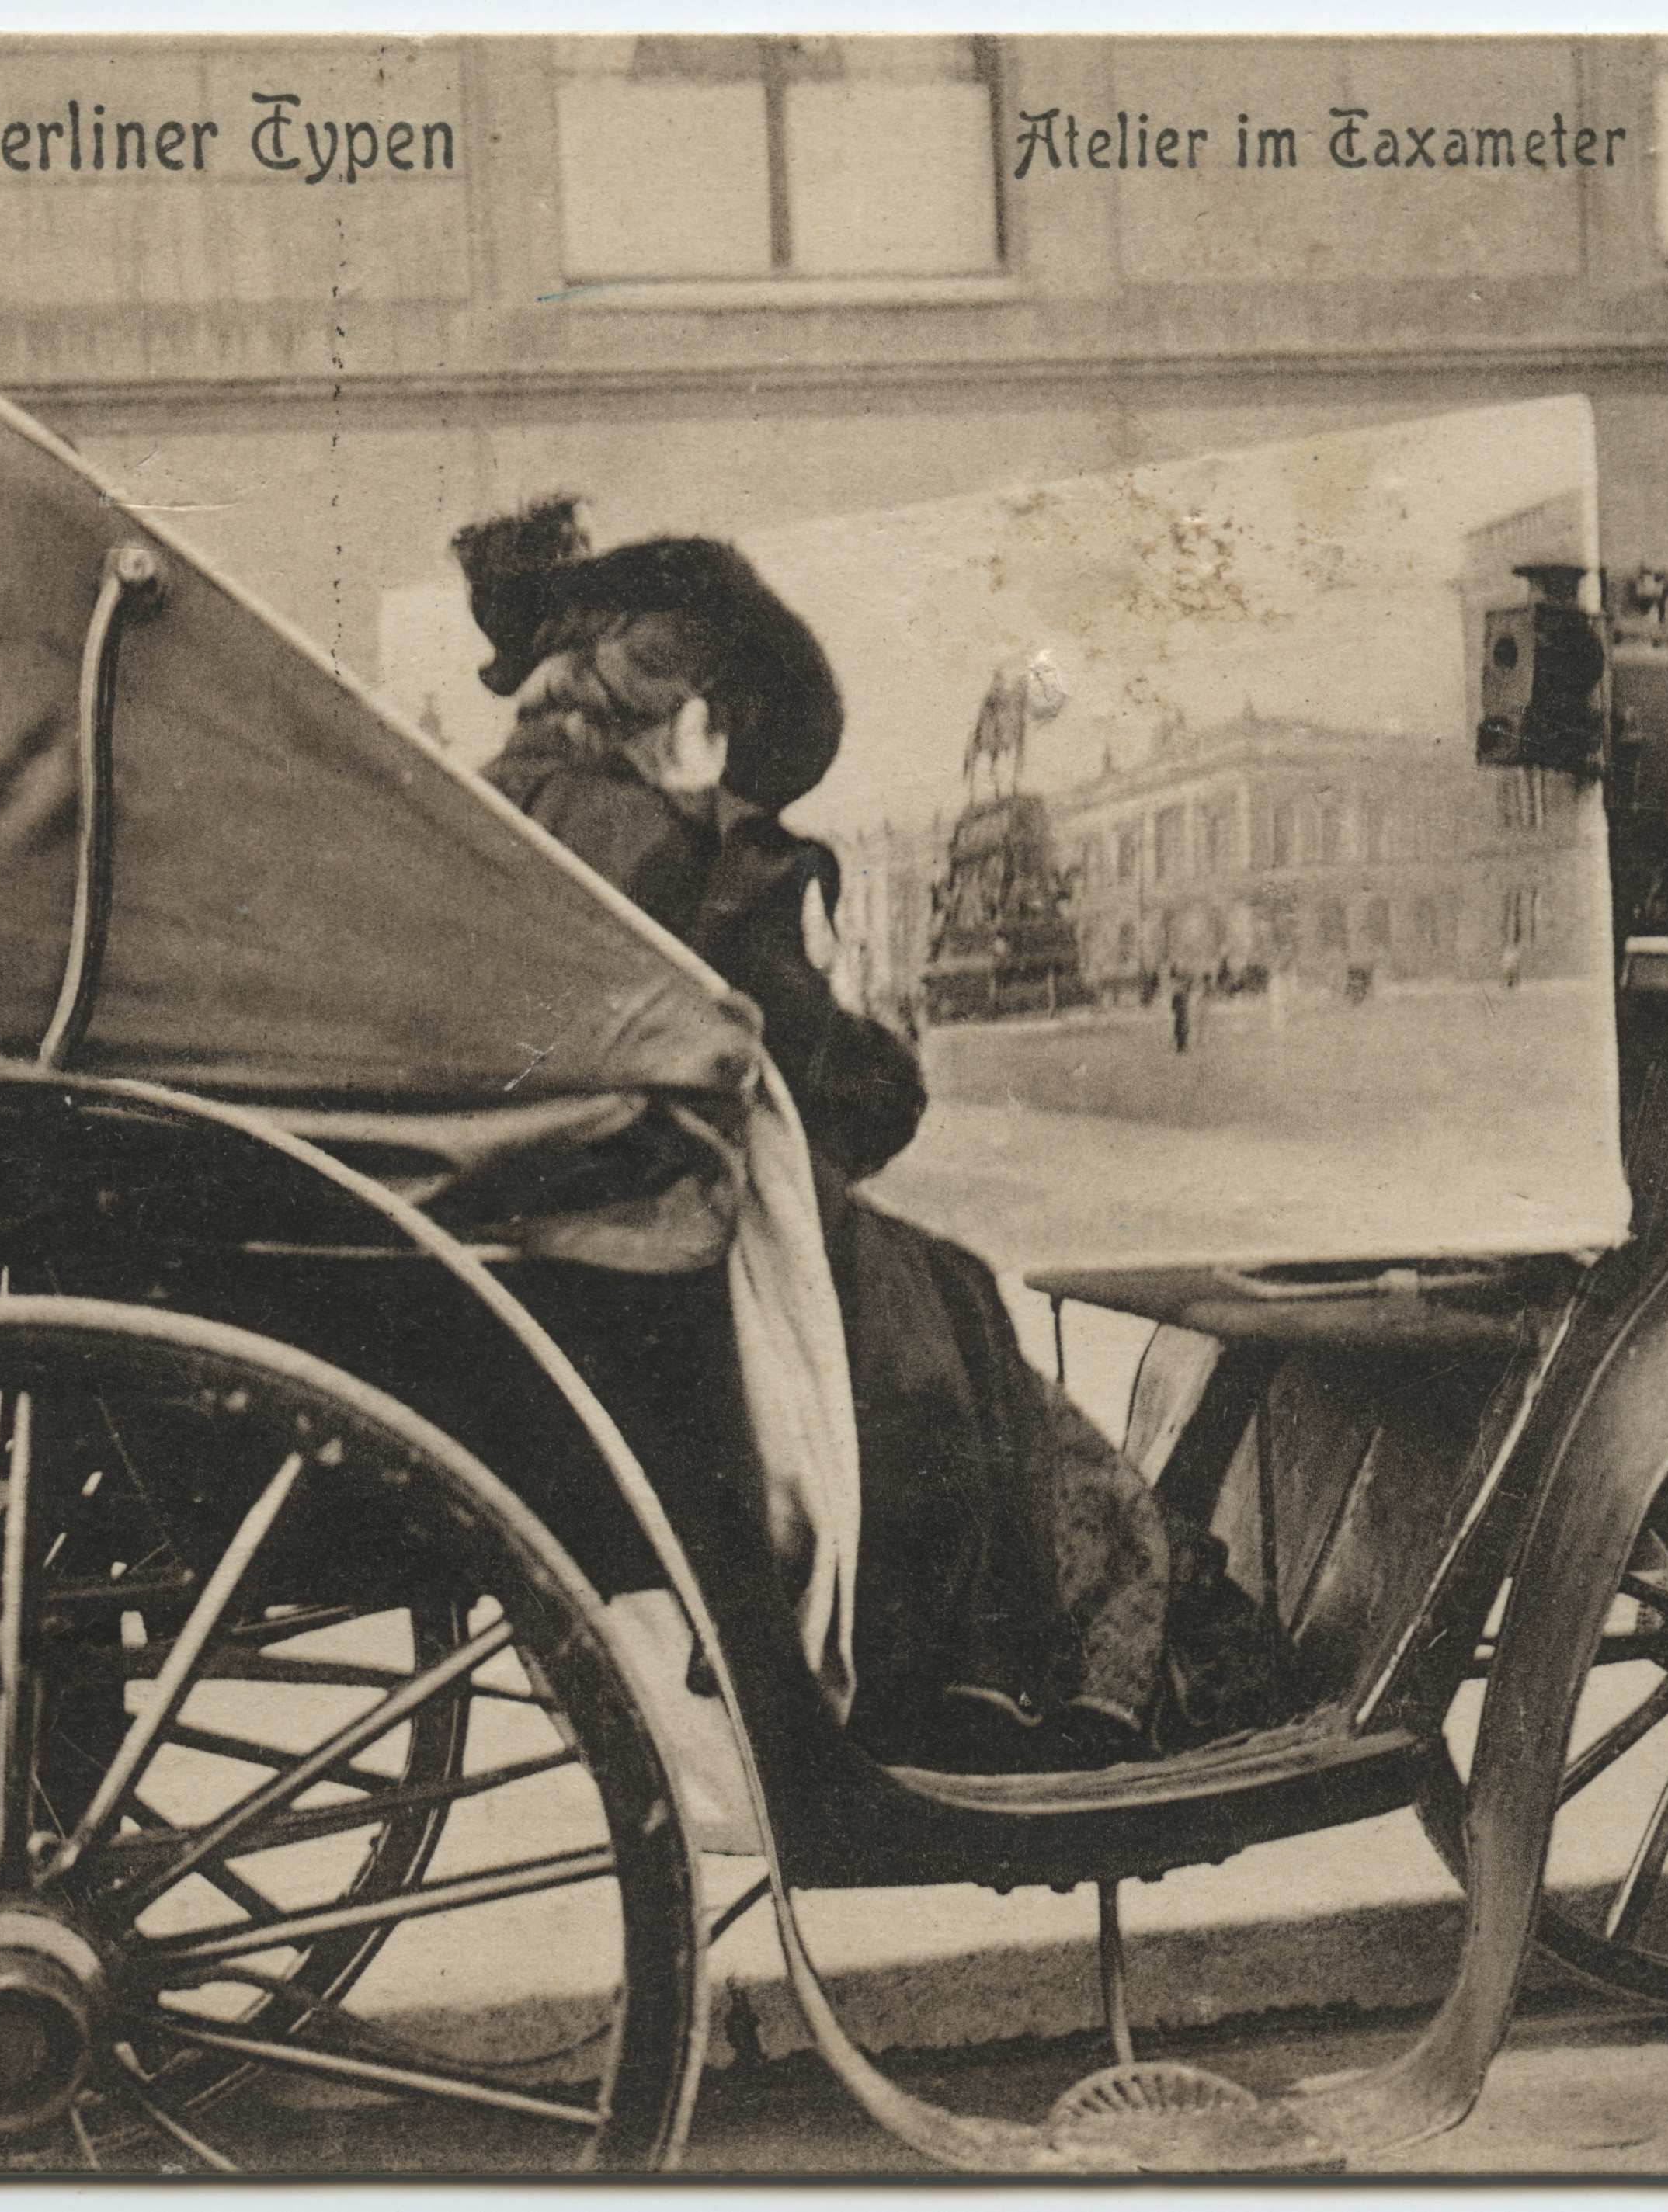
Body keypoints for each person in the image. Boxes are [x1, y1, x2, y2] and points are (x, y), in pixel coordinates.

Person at [452, 498, 1281, 1769]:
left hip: (540, 1259)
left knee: (936, 1302)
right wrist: (873, 1045)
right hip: (681, 1294)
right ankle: (1018, 1687)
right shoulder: (684, 854)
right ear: (695, 723)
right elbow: (840, 1091)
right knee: (956, 1311)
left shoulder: (486, 821)